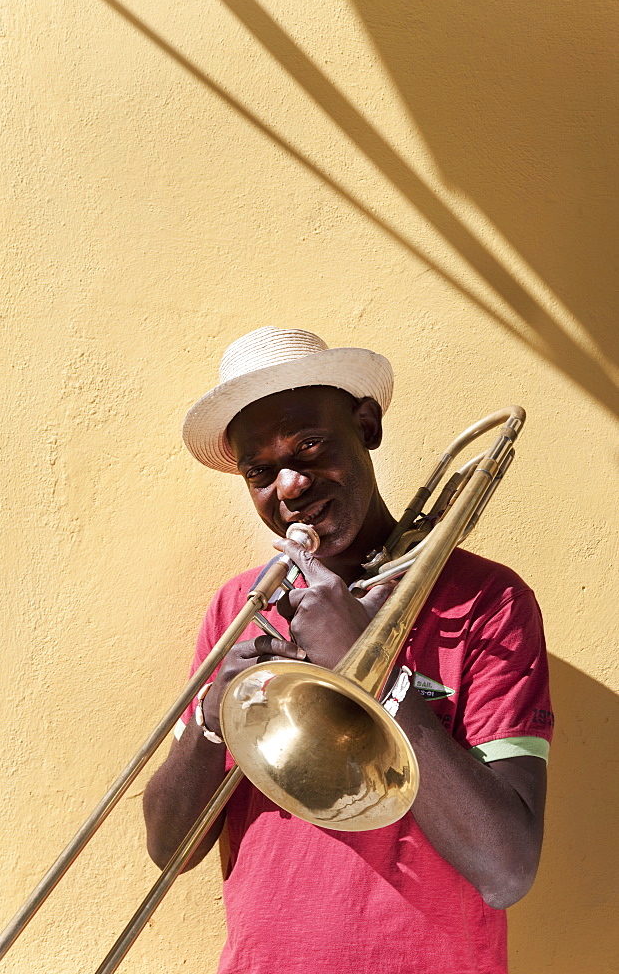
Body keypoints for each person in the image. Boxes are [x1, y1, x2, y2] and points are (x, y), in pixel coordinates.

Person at [143, 327, 553, 974]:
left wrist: (374, 670)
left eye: (309, 446)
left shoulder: (490, 602)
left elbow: (506, 869)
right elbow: (170, 849)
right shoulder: (239, 609)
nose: (289, 486)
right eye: (260, 471)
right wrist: (211, 718)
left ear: (366, 425)